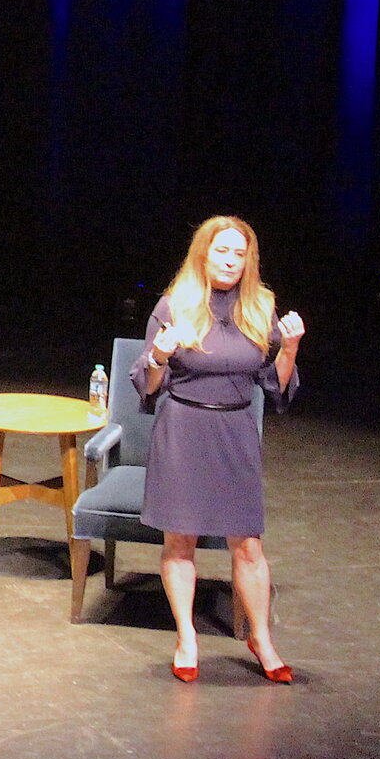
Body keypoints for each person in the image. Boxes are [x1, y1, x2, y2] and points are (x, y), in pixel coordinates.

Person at [132, 215, 304, 682]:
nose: (229, 261)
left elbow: (274, 388)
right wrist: (161, 357)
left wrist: (288, 350)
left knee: (248, 543)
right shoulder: (174, 305)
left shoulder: (259, 306)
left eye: (239, 253)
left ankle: (261, 638)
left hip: (235, 431)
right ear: (203, 254)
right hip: (183, 429)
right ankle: (186, 636)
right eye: (221, 251)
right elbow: (148, 386)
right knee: (180, 539)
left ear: (249, 260)